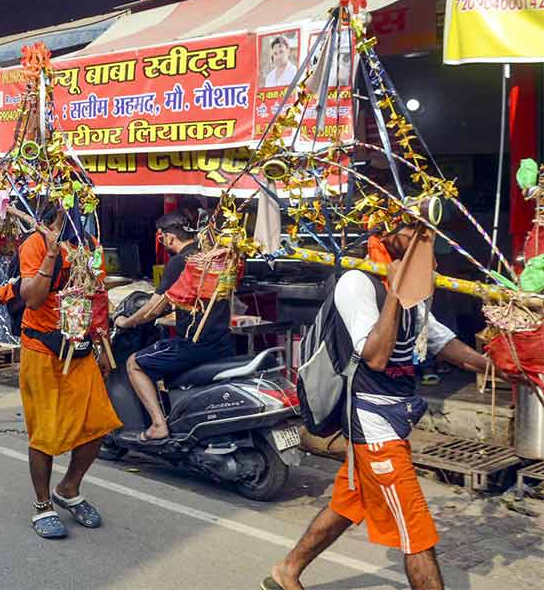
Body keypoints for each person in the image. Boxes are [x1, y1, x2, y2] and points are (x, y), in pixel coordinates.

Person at [263, 224, 490, 590]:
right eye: (411, 229)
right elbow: (377, 356)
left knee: (348, 503)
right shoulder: (358, 282)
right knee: (415, 532)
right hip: (372, 421)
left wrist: (499, 368)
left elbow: (440, 341)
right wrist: (396, 293)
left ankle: (287, 570)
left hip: (396, 417)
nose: (424, 237)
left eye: (426, 230)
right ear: (385, 234)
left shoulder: (411, 285)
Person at [18, 204, 120, 539]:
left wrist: (103, 344)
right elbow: (32, 299)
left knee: (98, 424)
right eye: (69, 201)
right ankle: (43, 504)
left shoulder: (89, 245)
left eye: (83, 201)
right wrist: (50, 252)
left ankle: (69, 487)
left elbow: (98, 297)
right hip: (42, 351)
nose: (77, 208)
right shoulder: (34, 243)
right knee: (45, 432)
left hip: (80, 351)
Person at [115, 212, 233, 442]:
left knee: (134, 364)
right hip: (221, 341)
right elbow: (188, 301)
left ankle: (159, 425)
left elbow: (154, 308)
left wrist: (126, 321)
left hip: (195, 344)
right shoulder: (207, 257)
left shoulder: (181, 262)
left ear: (168, 238)